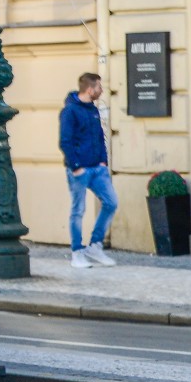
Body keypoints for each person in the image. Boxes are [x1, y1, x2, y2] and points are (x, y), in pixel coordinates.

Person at [60, 71, 118, 268]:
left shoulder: (92, 109)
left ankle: (95, 245)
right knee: (78, 210)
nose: (101, 91)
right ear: (90, 89)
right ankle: (77, 252)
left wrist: (103, 161)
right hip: (80, 170)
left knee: (111, 202)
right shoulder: (70, 111)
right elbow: (65, 141)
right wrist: (76, 167)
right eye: (99, 87)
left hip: (97, 168)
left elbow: (100, 136)